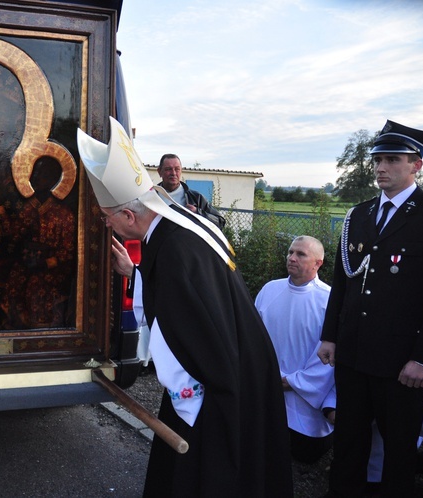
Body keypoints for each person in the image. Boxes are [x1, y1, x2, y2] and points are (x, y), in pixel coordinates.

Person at [77, 117, 293, 497]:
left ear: (130, 215)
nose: (108, 227)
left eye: (109, 218)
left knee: (206, 468)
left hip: (217, 380)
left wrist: (184, 394)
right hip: (237, 360)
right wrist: (137, 273)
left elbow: (185, 329)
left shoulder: (177, 249)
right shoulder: (180, 228)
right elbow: (186, 300)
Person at [318, 120, 423, 496]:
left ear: (416, 165)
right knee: (349, 442)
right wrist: (330, 336)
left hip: (401, 362)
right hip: (353, 353)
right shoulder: (360, 215)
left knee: (399, 451)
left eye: (392, 160)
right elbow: (343, 283)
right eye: (378, 160)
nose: (381, 168)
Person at [255, 235, 336, 464]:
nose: (292, 258)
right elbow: (254, 337)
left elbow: (329, 353)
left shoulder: (328, 300)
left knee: (303, 456)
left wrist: (293, 382)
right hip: (267, 388)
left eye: (301, 254)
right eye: (291, 252)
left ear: (318, 263)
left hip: (305, 400)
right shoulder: (270, 290)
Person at [156, 153, 225, 229]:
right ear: (159, 172)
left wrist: (197, 213)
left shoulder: (196, 198)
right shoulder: (151, 197)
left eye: (177, 169)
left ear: (181, 171)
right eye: (168, 169)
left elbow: (220, 222)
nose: (173, 173)